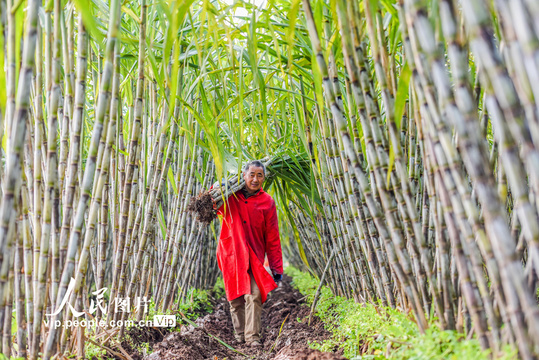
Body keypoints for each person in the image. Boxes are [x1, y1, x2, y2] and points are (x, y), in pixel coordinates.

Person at [215, 160, 283, 347]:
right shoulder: (229, 196)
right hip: (231, 254)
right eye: (251, 174)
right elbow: (212, 203)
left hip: (254, 256)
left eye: (259, 175)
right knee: (235, 298)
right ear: (243, 176)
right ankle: (240, 335)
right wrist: (219, 186)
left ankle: (252, 337)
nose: (255, 179)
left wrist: (277, 268)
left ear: (264, 178)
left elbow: (273, 237)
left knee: (254, 294)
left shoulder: (267, 202)